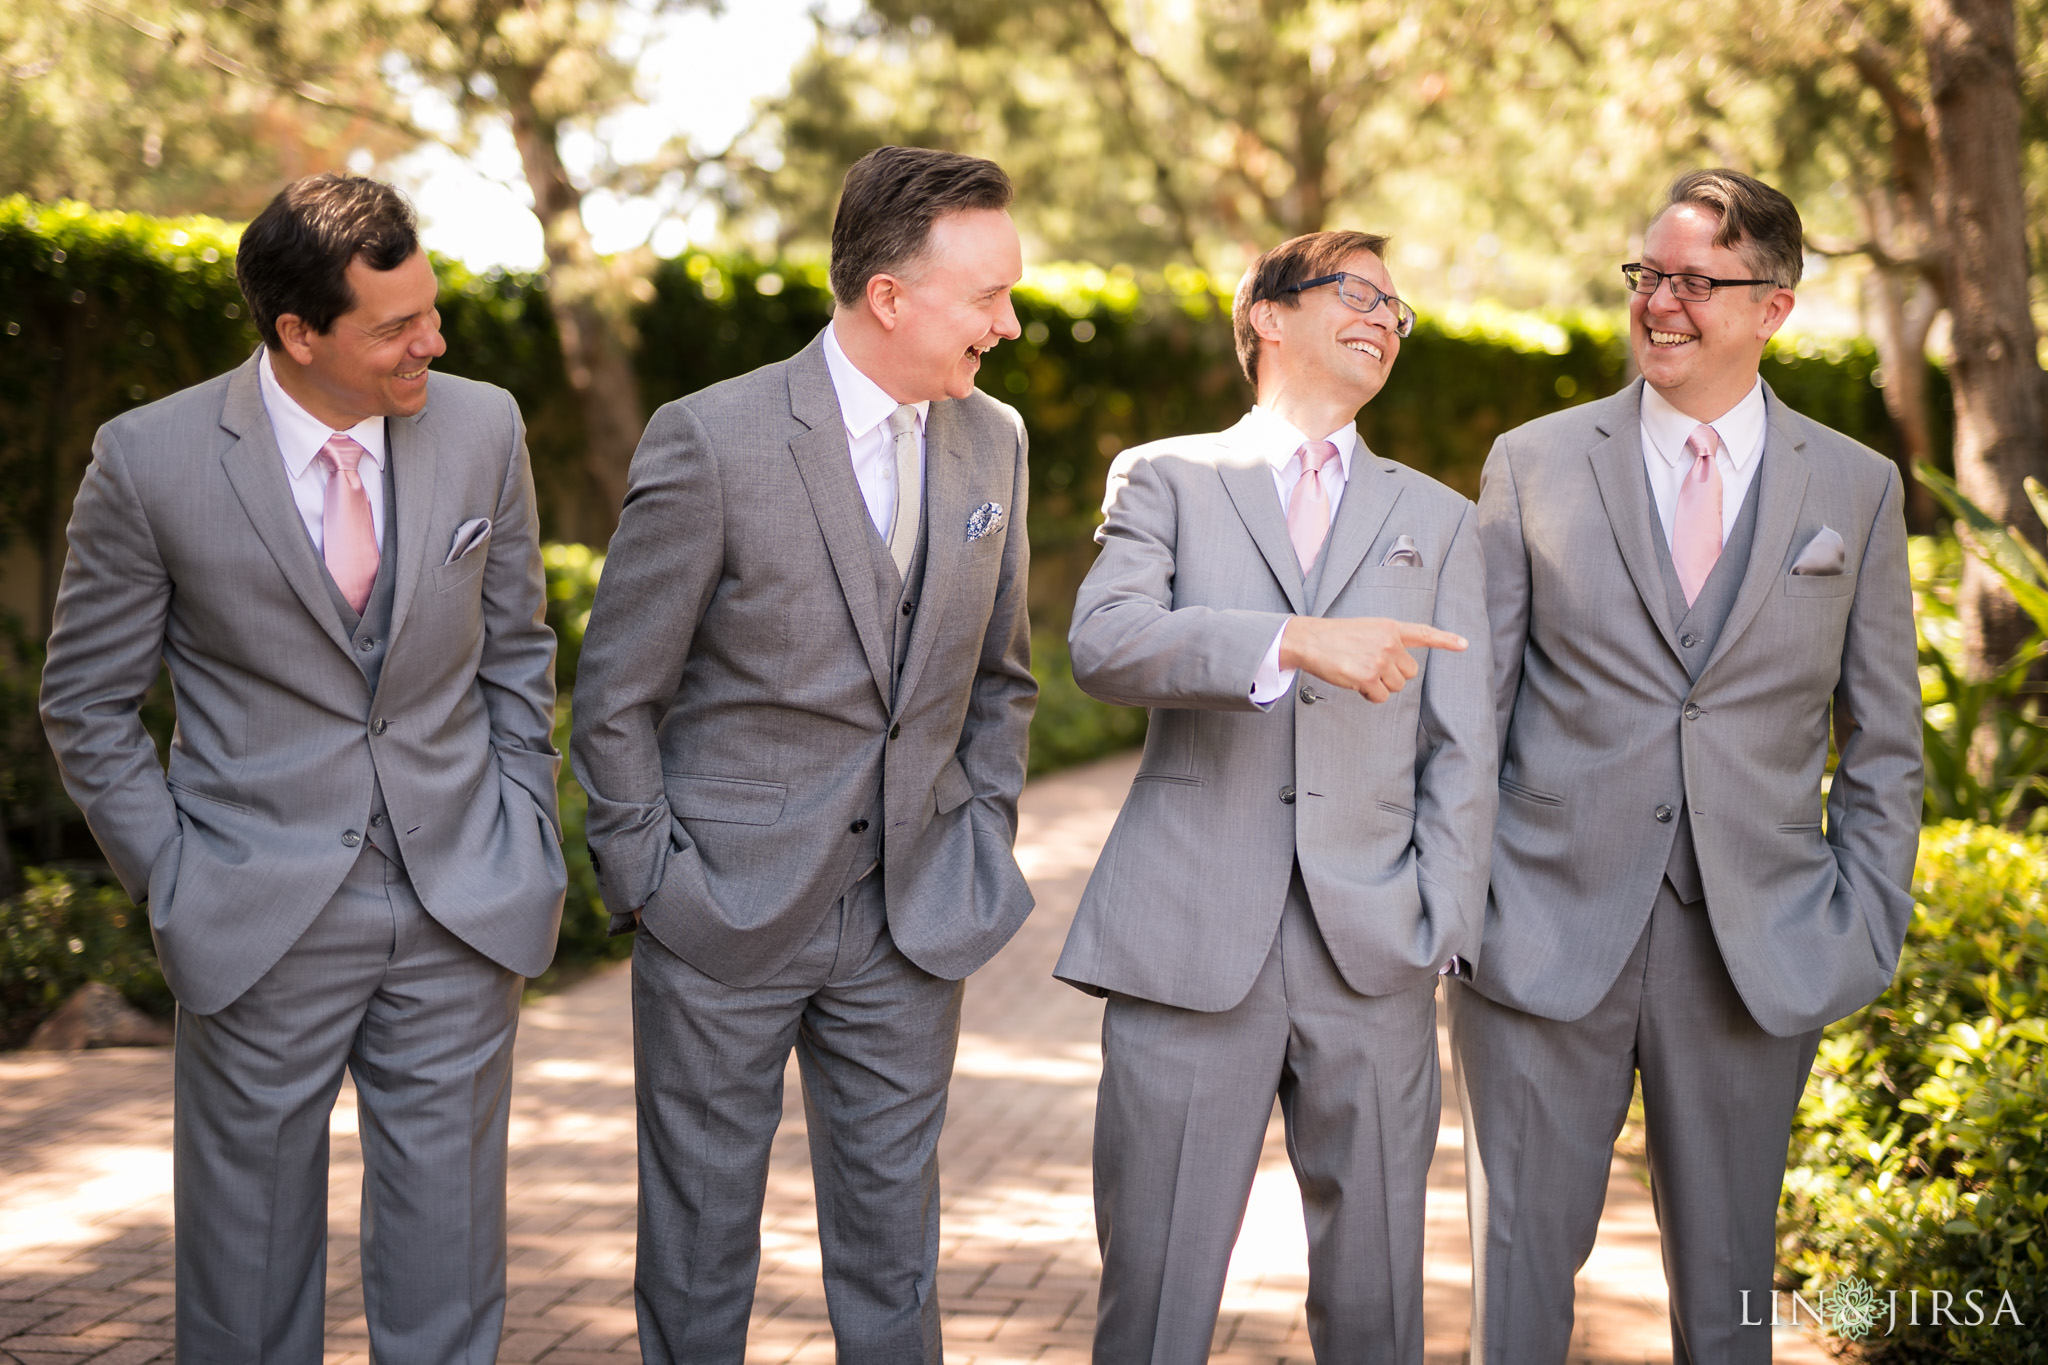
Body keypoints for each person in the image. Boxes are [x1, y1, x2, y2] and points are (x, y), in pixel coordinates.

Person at [38, 173, 566, 1361]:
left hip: (460, 901)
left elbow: (518, 647)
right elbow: (86, 701)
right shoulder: (151, 458)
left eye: (429, 310)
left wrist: (524, 823)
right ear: (297, 332)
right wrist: (176, 876)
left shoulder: (483, 426)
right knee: (246, 1281)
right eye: (395, 326)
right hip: (252, 905)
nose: (432, 340)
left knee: (450, 1272)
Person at [569, 145, 1036, 1363]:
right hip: (718, 913)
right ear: (890, 297)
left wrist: (976, 832)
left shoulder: (995, 445)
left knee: (894, 1258)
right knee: (697, 1251)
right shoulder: (710, 439)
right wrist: (656, 884)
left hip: (910, 917)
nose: (1011, 322)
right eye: (987, 297)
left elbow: (1002, 677)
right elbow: (617, 694)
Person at [1451, 169, 1923, 1363]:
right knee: (1514, 1274)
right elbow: (1470, 704)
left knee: (1729, 1292)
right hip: (1537, 926)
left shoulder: (1855, 487)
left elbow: (1883, 737)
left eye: (1694, 283)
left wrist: (1862, 921)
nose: (1659, 305)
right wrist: (1462, 901)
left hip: (1756, 940)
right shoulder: (1533, 461)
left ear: (1772, 306)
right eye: (1646, 276)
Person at [1056, 230, 1496, 1364]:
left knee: (1378, 1304)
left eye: (1397, 310)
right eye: (1357, 292)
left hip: (1375, 956)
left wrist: (1437, 922)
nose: (1383, 319)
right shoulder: (1163, 477)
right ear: (1265, 314)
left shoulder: (1439, 518)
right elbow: (1104, 647)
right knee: (1153, 1293)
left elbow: (1462, 746)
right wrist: (1292, 640)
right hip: (1186, 942)